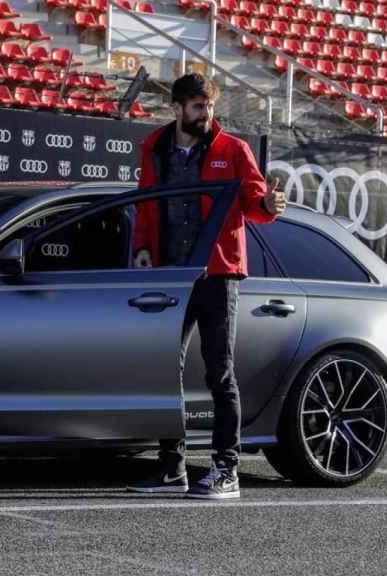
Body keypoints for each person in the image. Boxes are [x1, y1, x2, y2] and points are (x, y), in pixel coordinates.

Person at [126, 73, 286, 499]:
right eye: (198, 106)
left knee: (221, 372)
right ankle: (171, 469)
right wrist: (143, 248)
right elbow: (146, 202)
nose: (206, 114)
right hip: (171, 274)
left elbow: (254, 201)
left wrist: (267, 206)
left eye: (210, 106)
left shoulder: (234, 149)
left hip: (219, 273)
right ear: (177, 108)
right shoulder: (155, 147)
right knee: (164, 370)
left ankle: (226, 470)